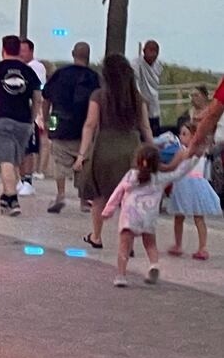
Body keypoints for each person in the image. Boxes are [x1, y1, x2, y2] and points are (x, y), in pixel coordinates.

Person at [75, 54, 154, 250]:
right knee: (129, 197)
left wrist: (82, 154)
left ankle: (96, 236)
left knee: (100, 195)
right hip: (131, 148)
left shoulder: (99, 95)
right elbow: (145, 127)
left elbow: (90, 124)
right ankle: (129, 243)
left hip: (105, 148)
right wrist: (152, 152)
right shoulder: (138, 98)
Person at [102, 145, 197, 287]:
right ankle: (154, 264)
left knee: (124, 246)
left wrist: (108, 210)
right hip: (149, 218)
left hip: (129, 217)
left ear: (138, 160)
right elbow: (178, 173)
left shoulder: (131, 175)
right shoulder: (159, 178)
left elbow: (118, 192)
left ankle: (121, 275)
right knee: (150, 244)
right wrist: (193, 159)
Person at [0, 35, 42, 217]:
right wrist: (32, 118)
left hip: (2, 121)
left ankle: (12, 199)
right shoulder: (29, 72)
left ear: (3, 49)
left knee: (6, 161)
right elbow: (37, 98)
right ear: (18, 49)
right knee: (13, 162)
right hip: (23, 122)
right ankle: (6, 196)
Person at [42, 42, 101, 213]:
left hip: (59, 123)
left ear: (73, 53)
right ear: (88, 56)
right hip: (84, 127)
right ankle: (84, 200)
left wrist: (46, 121)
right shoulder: (93, 77)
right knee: (84, 164)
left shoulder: (59, 74)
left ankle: (61, 194)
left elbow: (46, 99)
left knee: (60, 161)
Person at [165, 122, 222, 260]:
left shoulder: (184, 152)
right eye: (180, 133)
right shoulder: (200, 152)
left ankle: (195, 247)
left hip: (187, 185)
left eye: (184, 134)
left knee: (190, 217)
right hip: (192, 185)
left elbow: (173, 168)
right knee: (187, 217)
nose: (180, 136)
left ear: (193, 137)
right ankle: (196, 247)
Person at [17, 38, 46, 195]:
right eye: (19, 50)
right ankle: (21, 179)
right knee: (20, 148)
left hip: (31, 113)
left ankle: (27, 180)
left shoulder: (36, 67)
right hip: (19, 112)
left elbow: (38, 90)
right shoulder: (20, 67)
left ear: (31, 51)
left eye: (24, 51)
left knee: (28, 148)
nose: (21, 54)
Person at [132, 40, 163, 137]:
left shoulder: (158, 66)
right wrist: (141, 98)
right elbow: (134, 82)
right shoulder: (136, 64)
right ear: (144, 51)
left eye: (156, 51)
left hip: (154, 103)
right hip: (141, 105)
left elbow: (155, 84)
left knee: (155, 133)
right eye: (151, 51)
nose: (153, 54)